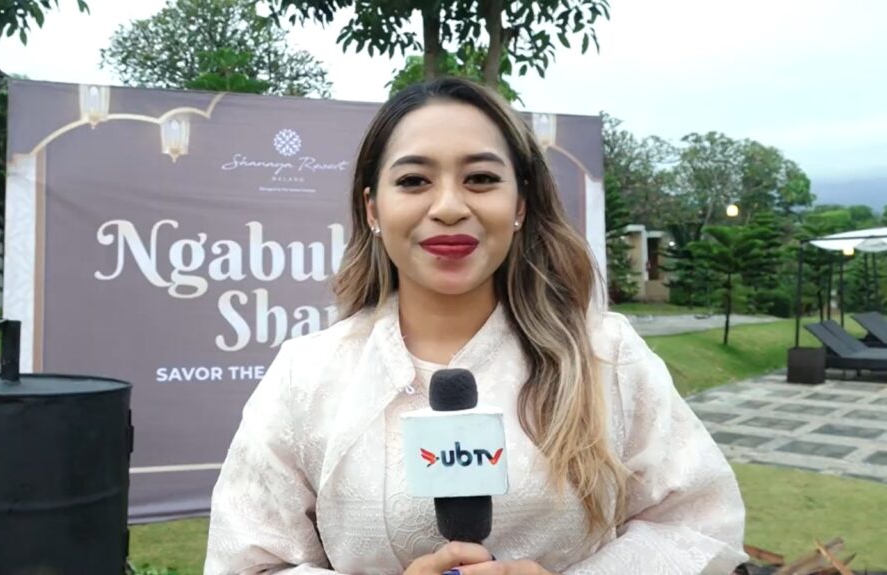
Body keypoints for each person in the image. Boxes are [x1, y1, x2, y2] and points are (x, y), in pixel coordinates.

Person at [204, 78, 748, 575]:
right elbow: (247, 562)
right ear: (372, 209)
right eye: (414, 180)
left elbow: (700, 529)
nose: (448, 206)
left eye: (481, 179)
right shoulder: (306, 374)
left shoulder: (605, 354)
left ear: (520, 203)